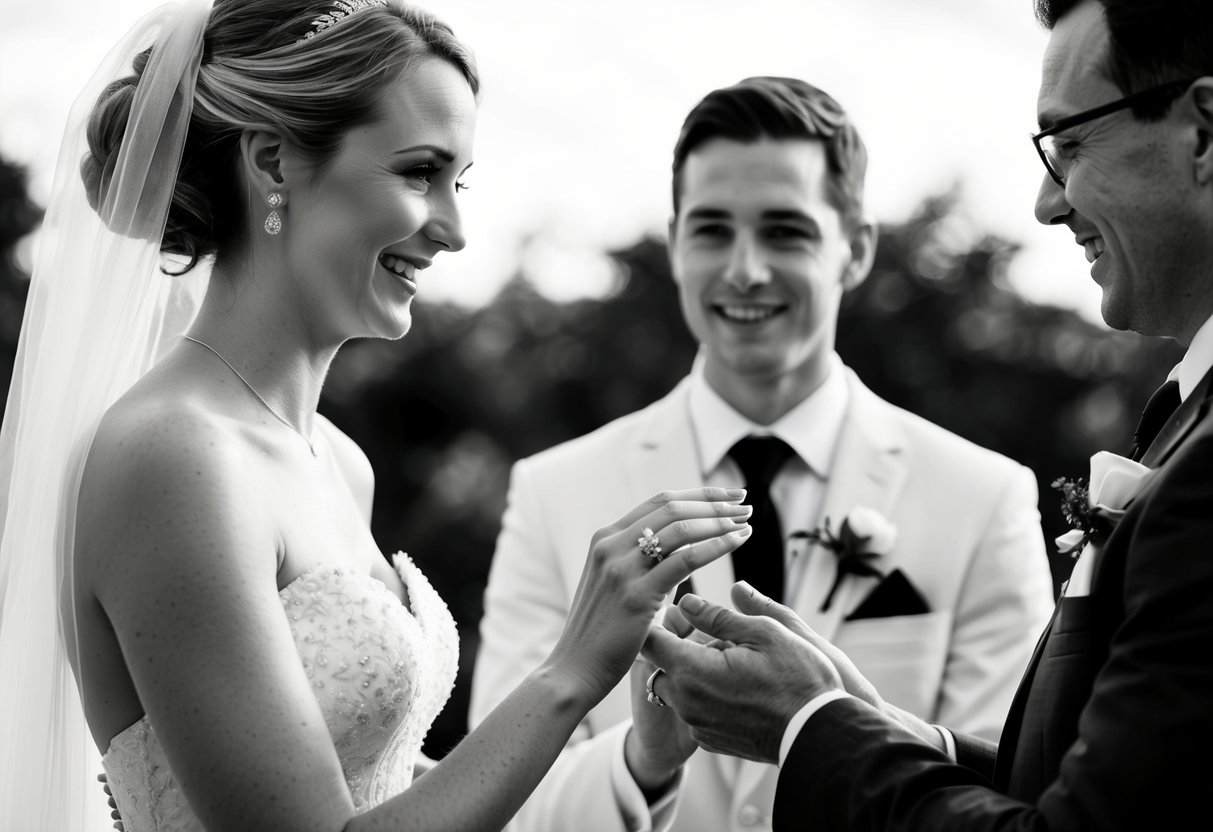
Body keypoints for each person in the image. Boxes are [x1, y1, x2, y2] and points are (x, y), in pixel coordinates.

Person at [0, 2, 754, 830]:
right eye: (419, 173)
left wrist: (641, 752)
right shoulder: (172, 455)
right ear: (272, 162)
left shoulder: (334, 459)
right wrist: (570, 670)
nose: (456, 230)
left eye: (458, 182)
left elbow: (391, 787)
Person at [642, 1, 1213, 829]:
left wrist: (808, 729)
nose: (1046, 205)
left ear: (1201, 130)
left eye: (1071, 142)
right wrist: (858, 721)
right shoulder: (1189, 418)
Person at [471, 76, 1055, 832]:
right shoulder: (552, 491)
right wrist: (640, 763)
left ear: (854, 250)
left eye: (785, 231)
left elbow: (1001, 794)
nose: (743, 269)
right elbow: (501, 803)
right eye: (711, 230)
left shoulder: (983, 497)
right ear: (678, 245)